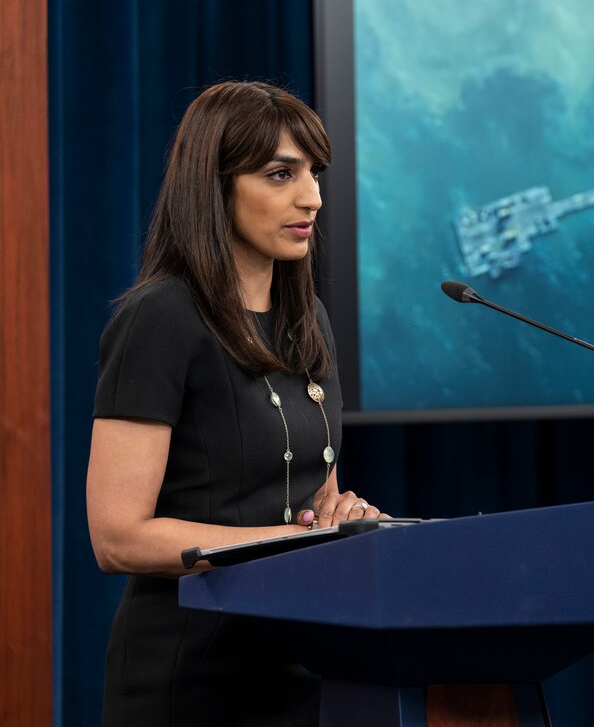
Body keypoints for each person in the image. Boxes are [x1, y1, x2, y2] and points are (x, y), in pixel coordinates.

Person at [87, 81, 386, 726]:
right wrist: (288, 543)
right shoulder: (160, 319)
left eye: (314, 173)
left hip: (300, 661)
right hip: (190, 675)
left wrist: (342, 519)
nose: (312, 197)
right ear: (215, 185)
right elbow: (116, 538)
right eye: (281, 174)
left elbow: (315, 497)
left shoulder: (309, 322)